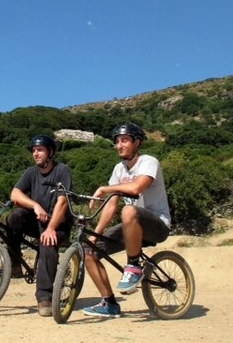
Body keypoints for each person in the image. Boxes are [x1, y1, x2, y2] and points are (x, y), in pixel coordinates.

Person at [82, 123, 171, 318]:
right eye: (117, 141)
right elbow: (111, 205)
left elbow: (136, 188)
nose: (119, 145)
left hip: (157, 225)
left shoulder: (149, 162)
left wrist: (104, 188)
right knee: (88, 249)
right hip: (131, 226)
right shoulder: (119, 169)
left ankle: (133, 266)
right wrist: (96, 235)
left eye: (124, 141)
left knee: (130, 209)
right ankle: (109, 303)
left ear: (137, 143)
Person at [5, 135, 73, 317]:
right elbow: (15, 193)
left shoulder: (62, 171)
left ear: (50, 152)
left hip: (59, 223)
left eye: (40, 150)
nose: (36, 154)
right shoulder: (31, 172)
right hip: (37, 220)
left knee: (47, 244)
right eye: (34, 150)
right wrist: (34, 205)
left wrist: (51, 228)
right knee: (14, 218)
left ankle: (44, 297)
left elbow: (62, 203)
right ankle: (15, 265)